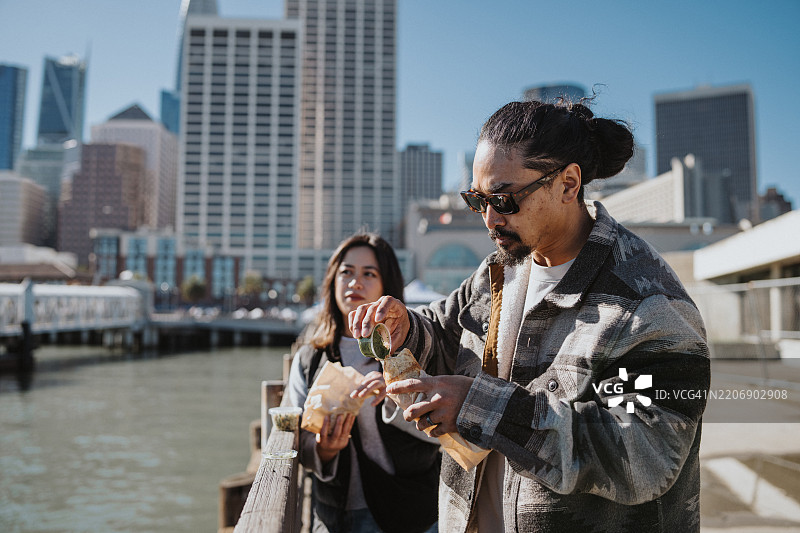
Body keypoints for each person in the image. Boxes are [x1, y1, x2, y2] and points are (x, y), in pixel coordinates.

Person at [349, 99, 711, 532]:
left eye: (503, 198)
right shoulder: (500, 269)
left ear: (568, 183)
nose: (489, 218)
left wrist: (480, 407)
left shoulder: (648, 305)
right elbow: (446, 334)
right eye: (477, 199)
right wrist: (406, 327)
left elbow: (645, 454)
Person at [285, 232, 441, 533]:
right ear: (332, 281)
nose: (355, 282)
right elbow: (295, 437)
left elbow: (440, 433)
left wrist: (394, 397)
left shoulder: (412, 349)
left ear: (387, 287)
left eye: (369, 274)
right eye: (346, 272)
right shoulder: (309, 358)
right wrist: (324, 450)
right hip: (334, 516)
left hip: (410, 513)